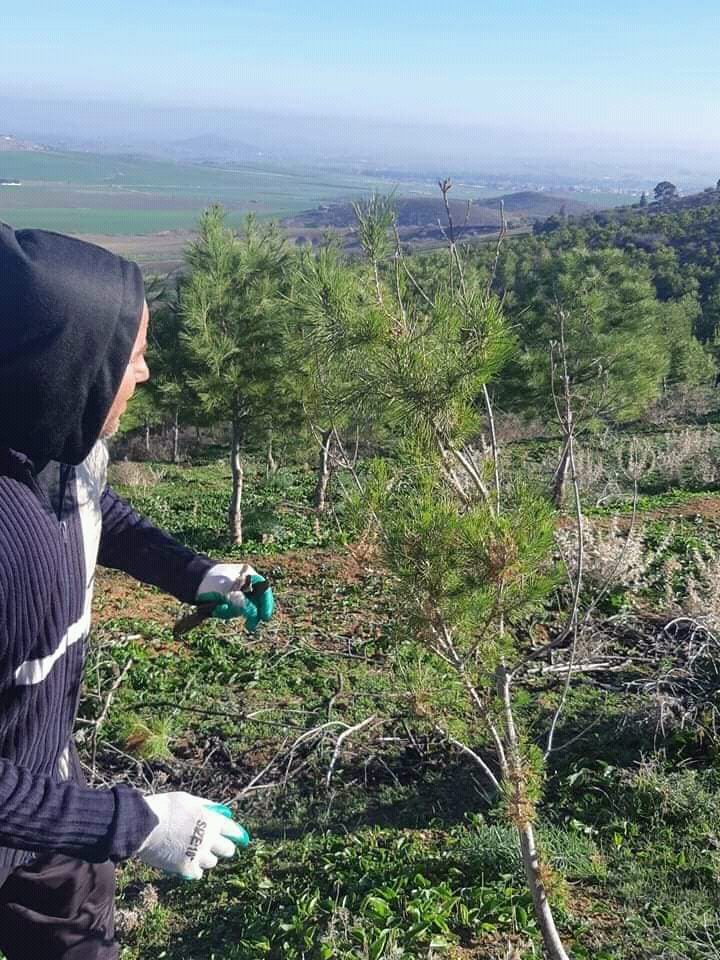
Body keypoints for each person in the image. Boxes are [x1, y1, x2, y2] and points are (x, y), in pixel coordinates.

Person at [0, 223, 274, 959]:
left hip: (50, 792)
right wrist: (133, 824)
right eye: (132, 354)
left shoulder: (54, 448)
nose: (145, 373)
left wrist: (195, 574)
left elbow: (97, 511)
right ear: (70, 362)